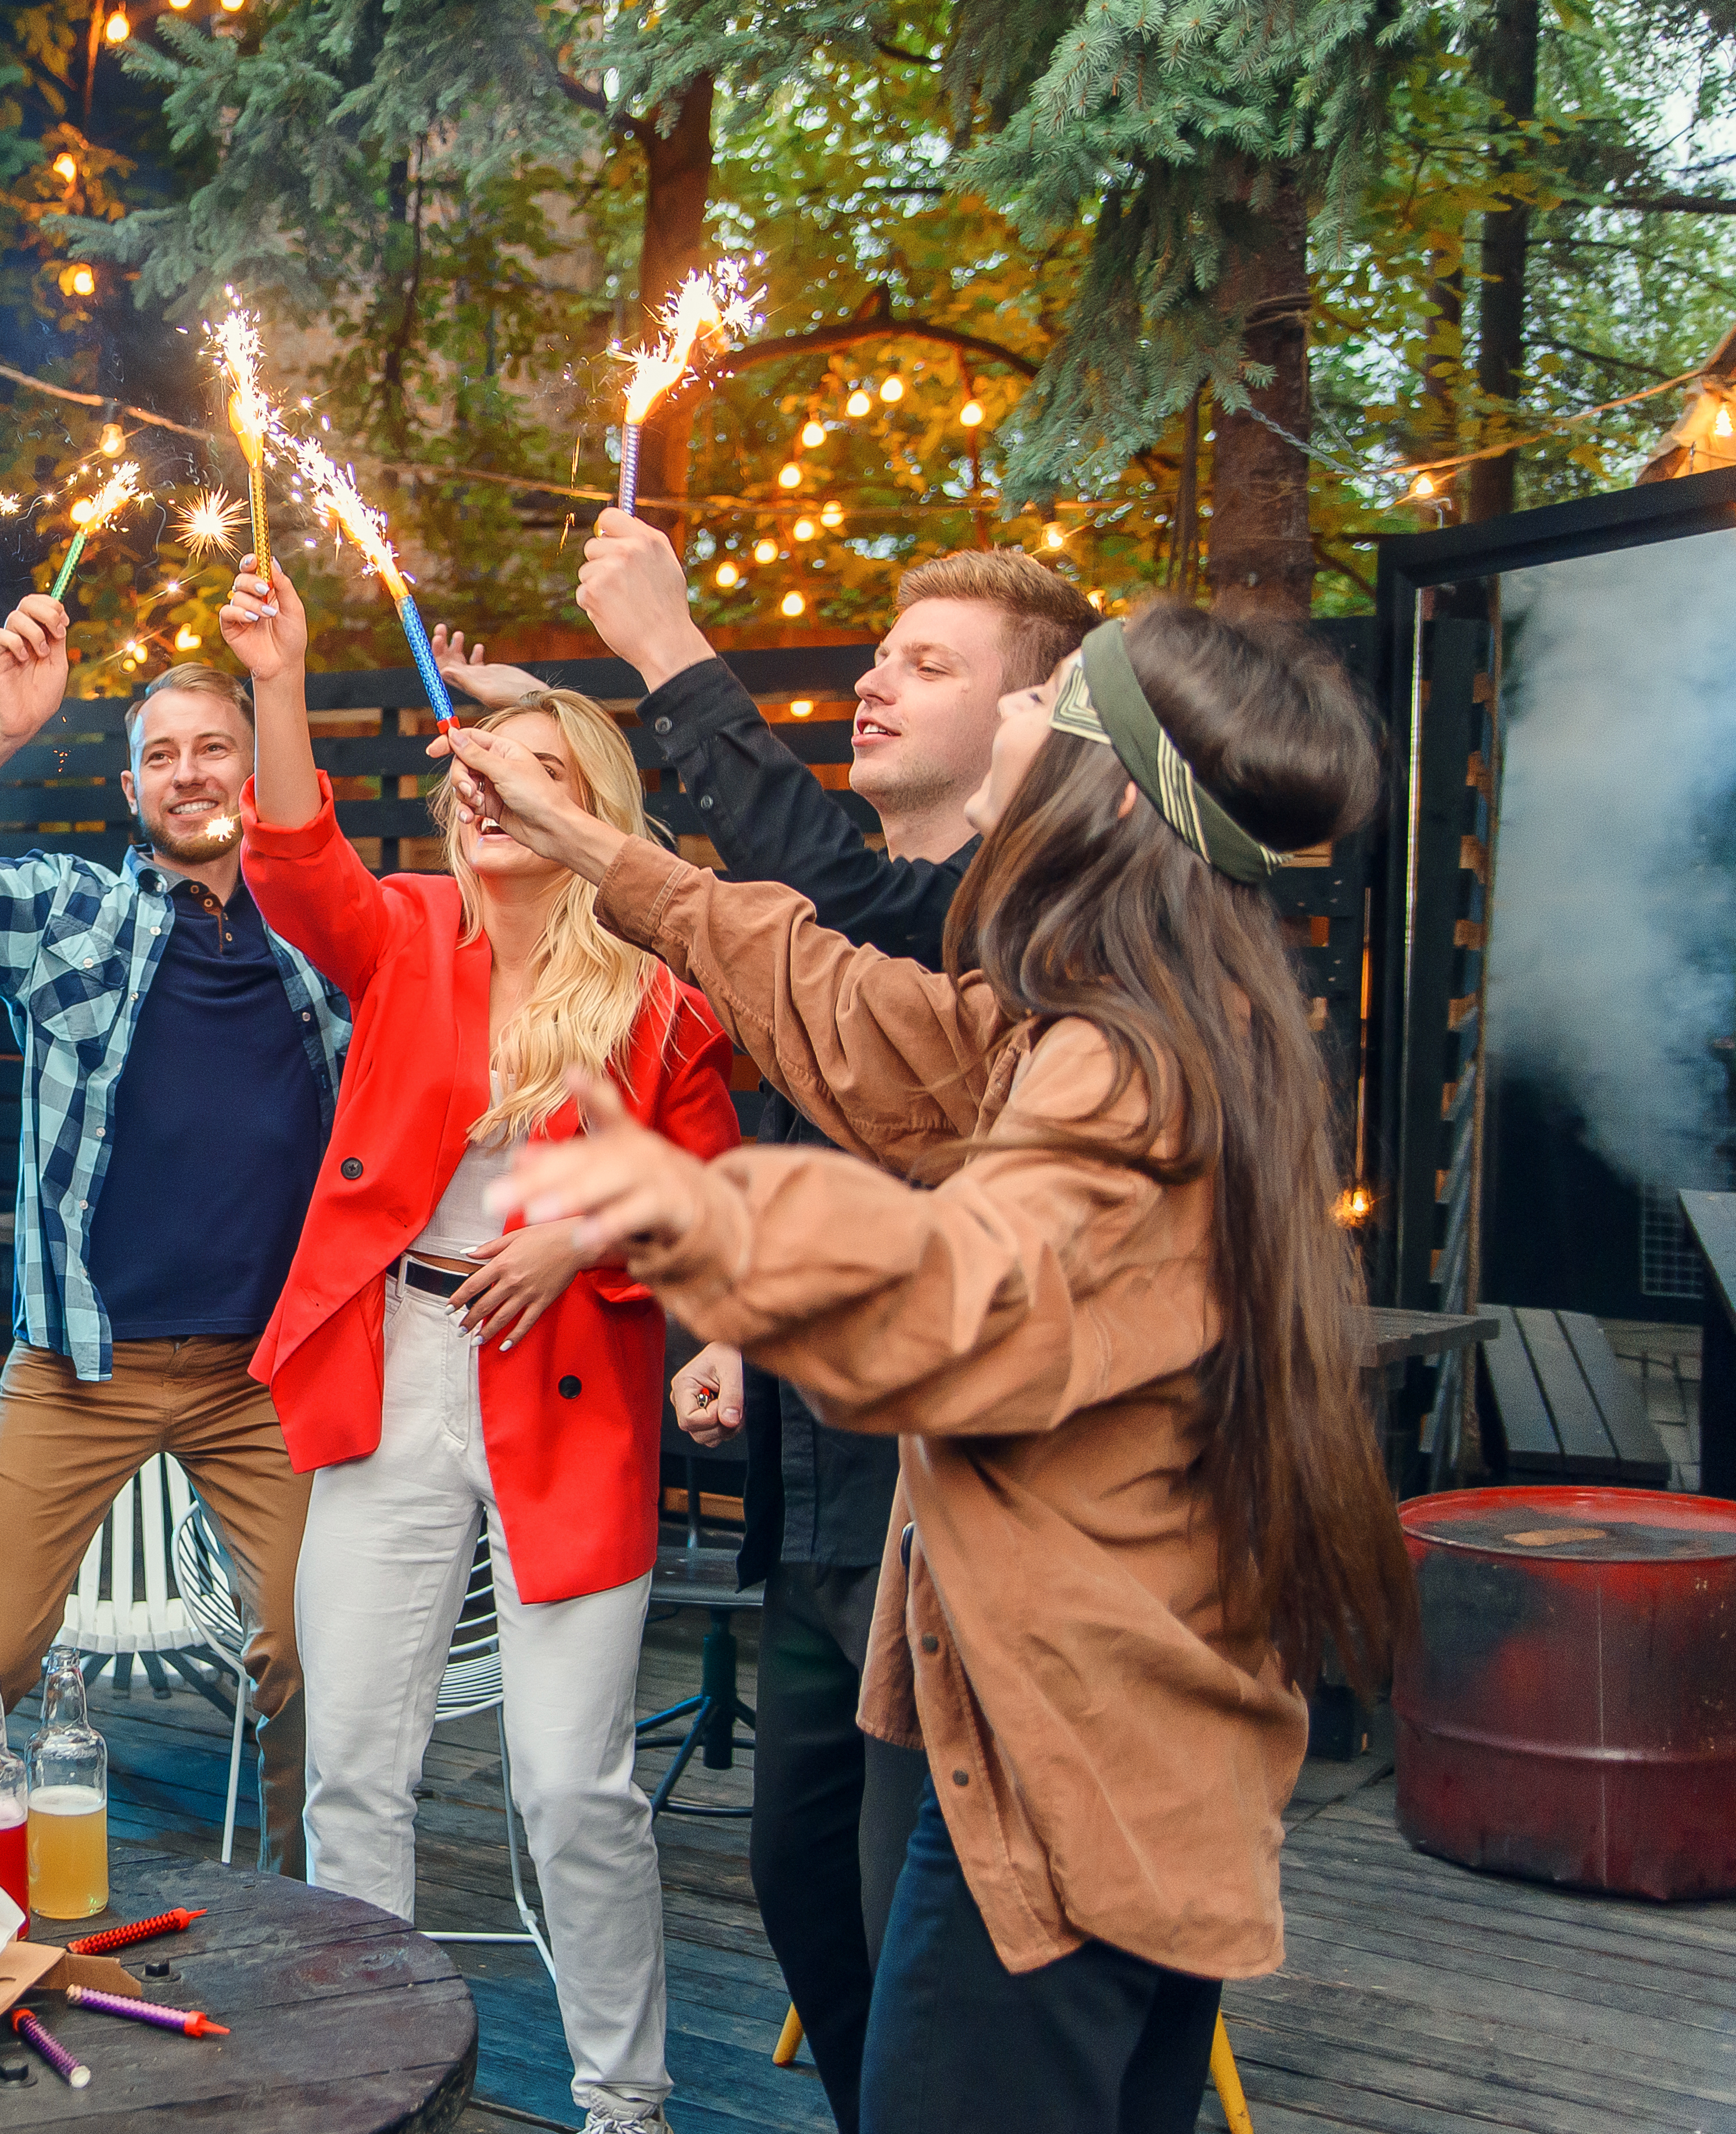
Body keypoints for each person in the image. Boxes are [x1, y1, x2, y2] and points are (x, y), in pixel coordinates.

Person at [447, 600, 1415, 2134]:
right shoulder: (1127, 1015)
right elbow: (867, 1022)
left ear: (1101, 794)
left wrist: (705, 1213)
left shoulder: (1130, 1070)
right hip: (1105, 1742)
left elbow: (969, 1291)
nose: (1012, 722)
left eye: (1048, 711)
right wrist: (602, 854)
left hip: (1067, 1771)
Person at [435, 524, 1096, 2128]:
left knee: (927, 1924)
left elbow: (825, 915)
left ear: (1039, 721)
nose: (873, 679)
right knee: (806, 1880)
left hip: (959, 1512)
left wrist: (667, 656)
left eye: (927, 665)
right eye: (880, 651)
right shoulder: (857, 897)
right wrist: (728, 1317)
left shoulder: (1018, 917)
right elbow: (784, 1017)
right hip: (818, 1490)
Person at [224, 552, 740, 2134]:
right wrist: (276, 673)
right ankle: (370, 2088)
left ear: (587, 808)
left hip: (574, 1387)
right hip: (394, 1365)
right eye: (471, 778)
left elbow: (715, 1209)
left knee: (571, 1786)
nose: (478, 800)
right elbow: (293, 859)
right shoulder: (406, 937)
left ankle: (623, 2106)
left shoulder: (656, 992)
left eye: (521, 777)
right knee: (355, 1769)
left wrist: (614, 1256)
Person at [0, 603, 345, 1872]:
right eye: (162, 756)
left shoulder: (323, 945)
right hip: (82, 1371)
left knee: (319, 1651)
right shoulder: (81, 917)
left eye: (212, 747)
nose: (189, 774)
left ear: (253, 763)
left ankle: (314, 1919)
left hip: (266, 1378)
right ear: (132, 788)